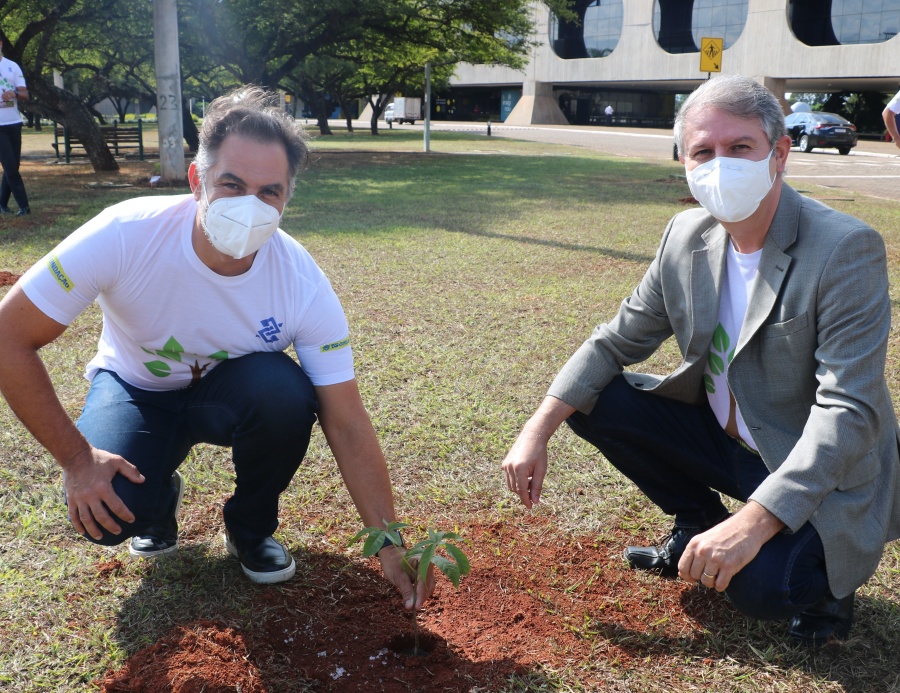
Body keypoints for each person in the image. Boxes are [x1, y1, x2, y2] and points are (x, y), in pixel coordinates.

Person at [502, 74, 900, 644]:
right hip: (729, 439)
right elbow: (614, 341)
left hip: (817, 466)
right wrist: (536, 429)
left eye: (740, 148)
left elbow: (849, 409)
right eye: (703, 152)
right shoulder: (686, 235)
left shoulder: (843, 248)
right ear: (685, 163)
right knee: (594, 398)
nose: (721, 165)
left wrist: (754, 523)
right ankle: (697, 522)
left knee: (758, 589)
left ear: (778, 153)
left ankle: (829, 593)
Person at [0, 86, 433, 609]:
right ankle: (157, 498)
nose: (250, 206)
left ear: (287, 199)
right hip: (136, 388)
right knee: (110, 517)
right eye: (231, 184)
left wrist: (388, 542)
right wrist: (76, 459)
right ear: (196, 180)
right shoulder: (126, 233)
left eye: (269, 192)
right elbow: (9, 337)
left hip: (227, 395)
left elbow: (345, 419)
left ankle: (250, 530)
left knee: (285, 391)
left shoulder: (301, 281)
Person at [0, 37, 30, 216]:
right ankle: (24, 207)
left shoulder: (13, 66)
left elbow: (25, 93)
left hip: (14, 123)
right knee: (10, 167)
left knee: (13, 166)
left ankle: (1, 203)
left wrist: (15, 93)